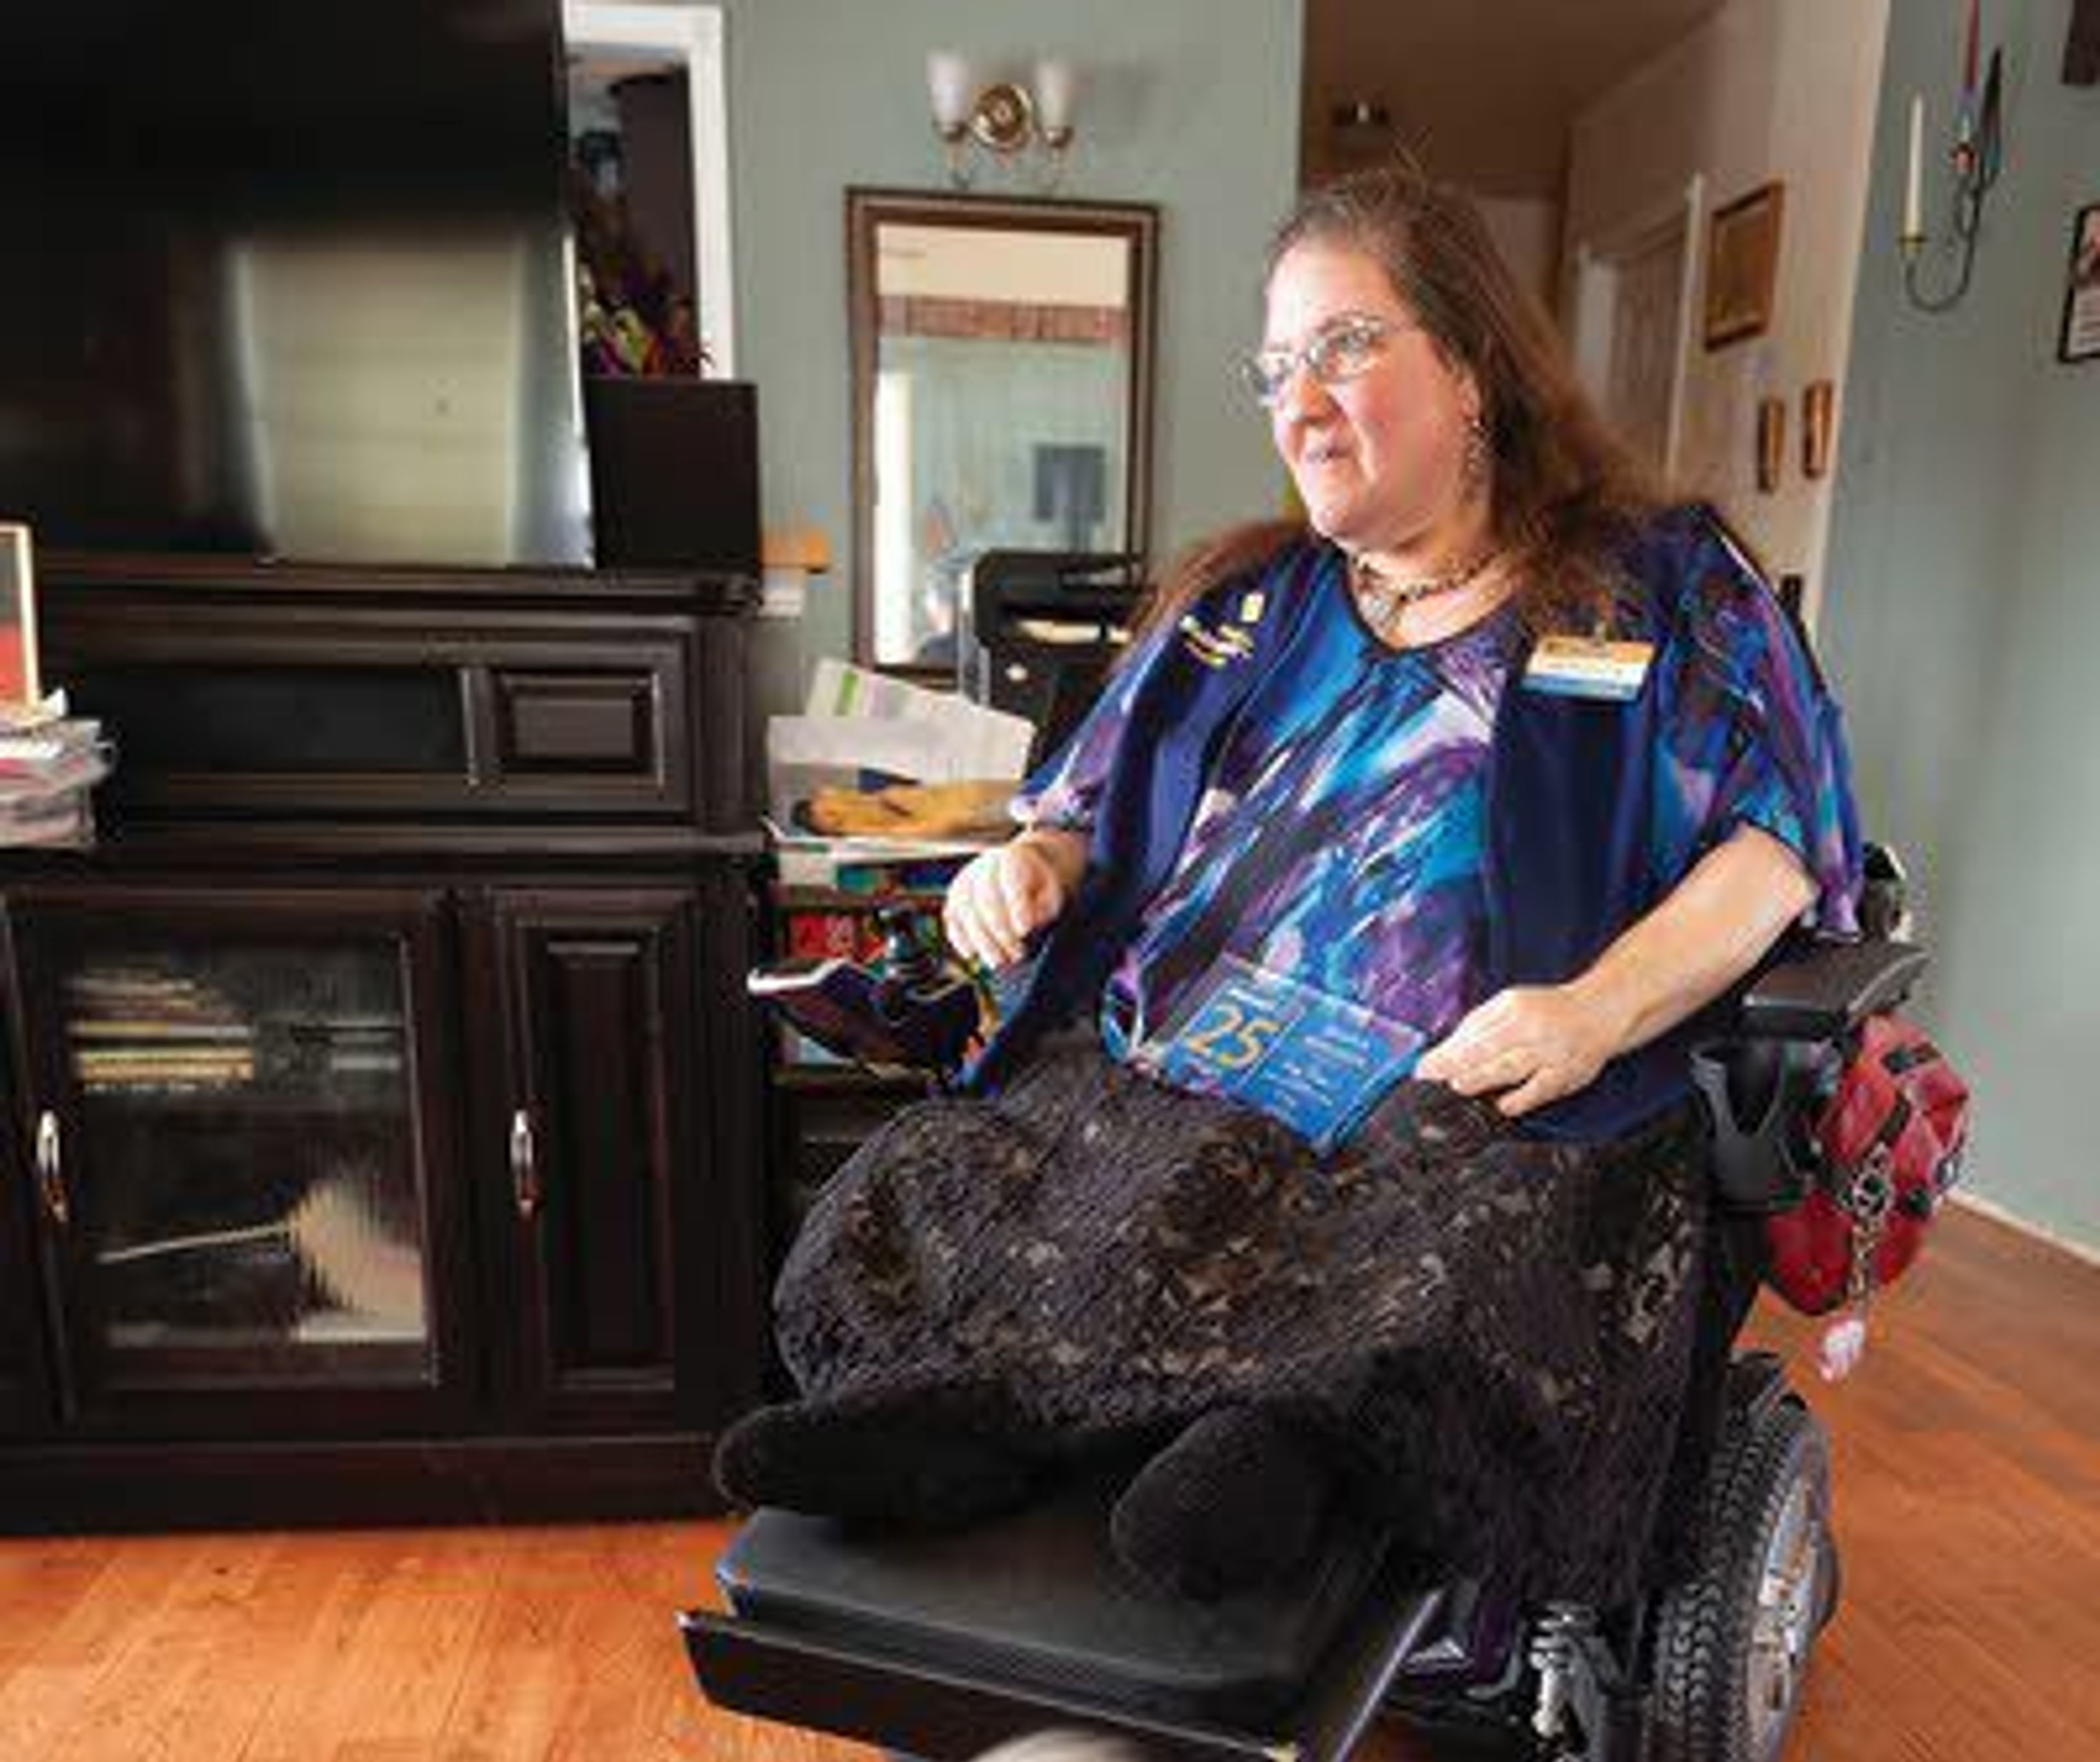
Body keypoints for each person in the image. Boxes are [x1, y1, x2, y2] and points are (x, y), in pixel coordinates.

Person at [718, 159, 1861, 1606]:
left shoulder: (1657, 582)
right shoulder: (1246, 604)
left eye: (1345, 346)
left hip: (1486, 1084)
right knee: (943, 1177)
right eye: (1277, 365)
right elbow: (1080, 815)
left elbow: (1780, 845)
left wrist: (1588, 1014)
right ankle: (966, 1432)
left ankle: (1281, 1460)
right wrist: (1026, 866)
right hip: (1201, 1055)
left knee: (1451, 1247)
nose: (1299, 398)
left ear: (1472, 370)